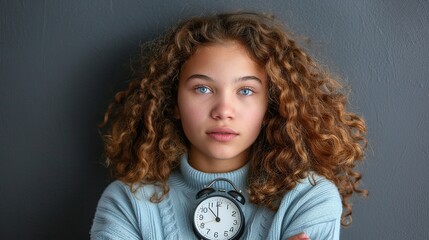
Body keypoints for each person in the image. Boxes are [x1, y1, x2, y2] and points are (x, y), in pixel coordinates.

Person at [91, 12, 367, 240]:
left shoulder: (308, 199)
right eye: (202, 88)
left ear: (271, 106)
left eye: (246, 91)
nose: (223, 111)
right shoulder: (128, 202)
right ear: (172, 101)